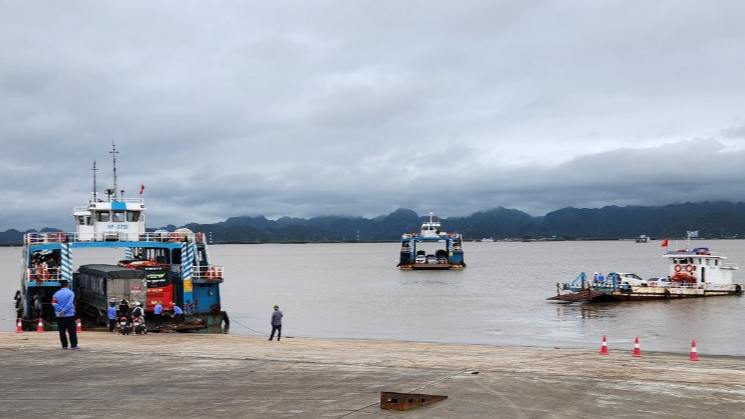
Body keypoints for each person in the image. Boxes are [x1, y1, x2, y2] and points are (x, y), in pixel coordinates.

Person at [51, 280, 79, 350]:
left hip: (59, 315)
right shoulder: (71, 293)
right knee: (72, 330)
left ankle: (64, 345)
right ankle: (74, 345)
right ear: (67, 285)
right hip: (69, 314)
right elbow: (70, 303)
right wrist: (64, 310)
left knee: (62, 330)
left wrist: (60, 310)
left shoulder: (56, 294)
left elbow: (53, 303)